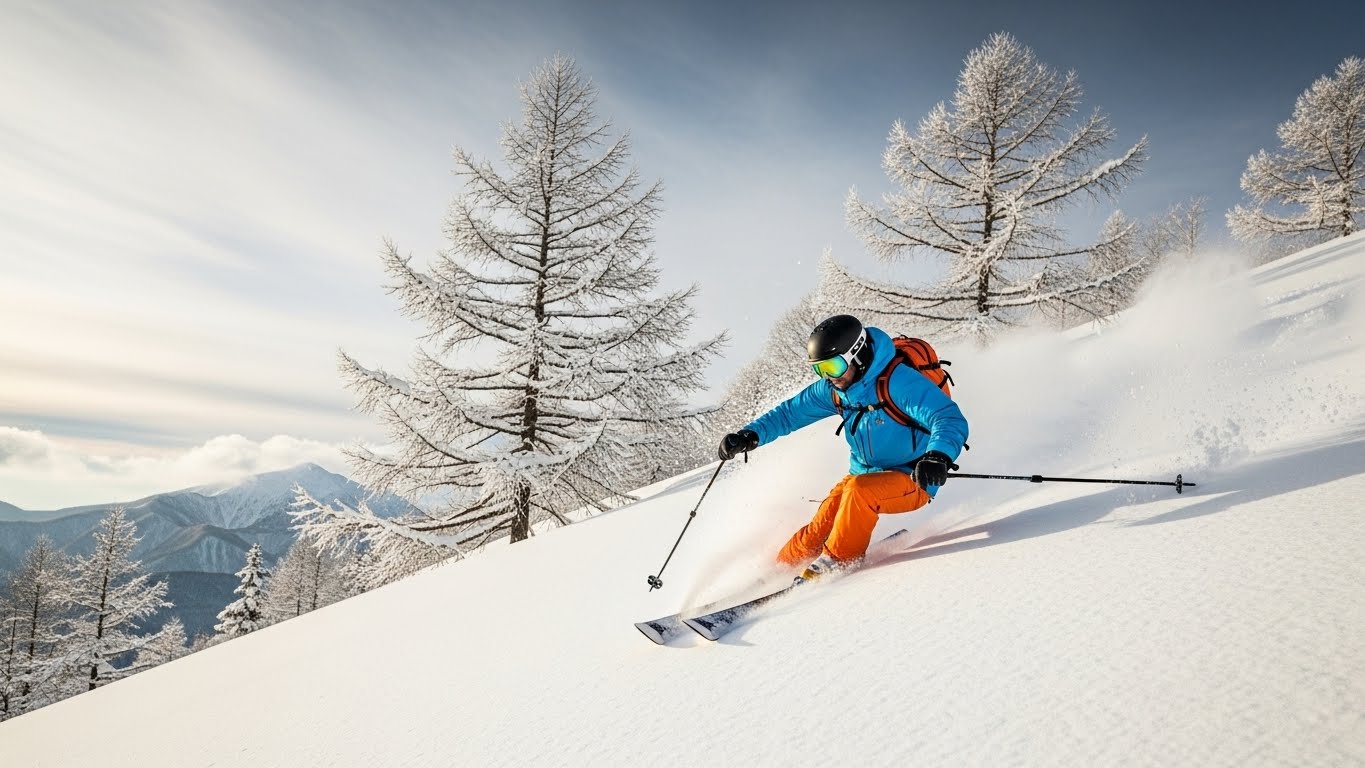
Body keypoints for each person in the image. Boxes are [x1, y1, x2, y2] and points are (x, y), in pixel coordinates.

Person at [717, 315, 969, 582]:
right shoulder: (835, 390)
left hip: (912, 476)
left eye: (833, 366)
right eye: (820, 369)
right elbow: (789, 414)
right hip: (861, 475)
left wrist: (937, 456)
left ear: (857, 355)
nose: (828, 376)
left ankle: (836, 562)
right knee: (818, 529)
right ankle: (775, 571)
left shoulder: (898, 382)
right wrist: (750, 435)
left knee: (860, 493)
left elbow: (947, 418)